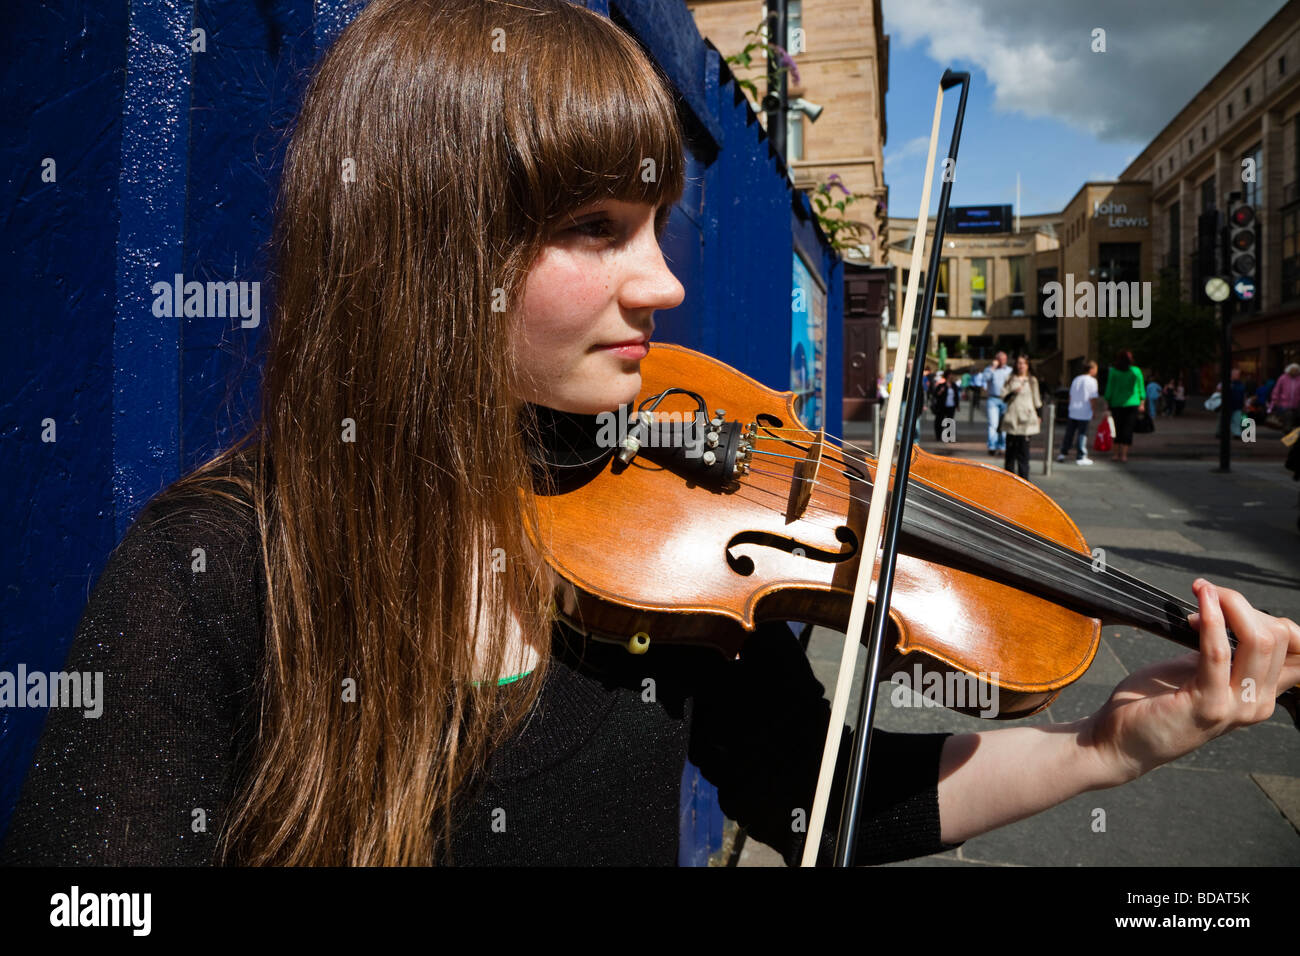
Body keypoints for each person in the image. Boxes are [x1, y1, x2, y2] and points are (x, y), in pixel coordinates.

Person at [3, 0, 1298, 868]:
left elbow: (814, 799)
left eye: (656, 226)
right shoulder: (222, 572)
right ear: (424, 249)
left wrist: (1109, 744)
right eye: (593, 231)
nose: (664, 284)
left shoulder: (661, 561)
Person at [999, 354, 1042, 479]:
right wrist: (1013, 392)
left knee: (1024, 455)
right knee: (1010, 454)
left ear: (1028, 365)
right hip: (1012, 420)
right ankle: (1009, 481)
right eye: (1019, 363)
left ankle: (1024, 482)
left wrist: (1039, 416)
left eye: (1023, 363)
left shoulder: (1032, 380)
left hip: (1026, 420)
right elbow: (1003, 397)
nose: (1021, 365)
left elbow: (1037, 400)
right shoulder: (1010, 378)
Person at [1103, 350, 1145, 463]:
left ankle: (1116, 454)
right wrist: (1142, 402)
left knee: (1117, 429)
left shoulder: (1114, 372)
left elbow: (1109, 388)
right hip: (1132, 403)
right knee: (1128, 429)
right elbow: (1141, 387)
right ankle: (1124, 455)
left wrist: (1107, 401)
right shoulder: (1136, 371)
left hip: (1116, 404)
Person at [1057, 360, 1098, 465]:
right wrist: (1093, 411)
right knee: (1082, 434)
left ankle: (1063, 452)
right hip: (1084, 410)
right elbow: (1092, 398)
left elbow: (1070, 395)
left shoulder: (1076, 379)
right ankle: (1081, 455)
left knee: (1069, 433)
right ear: (1092, 369)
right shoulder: (1092, 381)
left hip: (1073, 410)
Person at [983, 351, 1012, 456]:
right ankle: (992, 446)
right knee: (993, 424)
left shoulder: (1009, 370)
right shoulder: (989, 369)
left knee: (1004, 425)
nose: (1002, 361)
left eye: (1004, 359)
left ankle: (1002, 446)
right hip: (993, 399)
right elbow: (984, 379)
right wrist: (993, 368)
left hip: (1006, 400)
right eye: (1000, 359)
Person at [930, 368, 960, 444]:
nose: (952, 376)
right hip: (942, 406)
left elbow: (956, 396)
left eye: (952, 375)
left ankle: (949, 437)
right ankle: (938, 436)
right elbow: (935, 394)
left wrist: (957, 405)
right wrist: (941, 391)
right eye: (950, 375)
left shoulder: (954, 385)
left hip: (951, 406)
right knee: (939, 421)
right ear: (947, 376)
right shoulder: (941, 385)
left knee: (950, 421)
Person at [1269, 363, 1300, 431]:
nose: (1294, 372)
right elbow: (1276, 390)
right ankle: (1287, 430)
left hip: (1296, 404)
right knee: (1288, 415)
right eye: (1293, 370)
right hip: (1284, 404)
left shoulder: (1299, 379)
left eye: (1296, 370)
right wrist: (1274, 400)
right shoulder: (1283, 378)